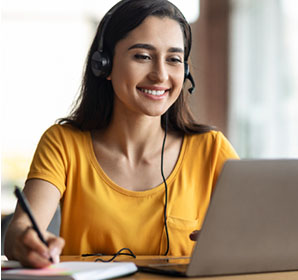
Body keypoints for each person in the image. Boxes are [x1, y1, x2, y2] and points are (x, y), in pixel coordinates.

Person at [4, 0, 239, 268]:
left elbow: (259, 228)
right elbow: (19, 232)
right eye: (142, 56)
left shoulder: (210, 148)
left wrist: (241, 239)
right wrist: (28, 242)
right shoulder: (64, 143)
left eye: (174, 59)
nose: (160, 74)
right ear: (103, 65)